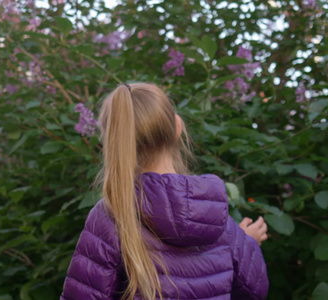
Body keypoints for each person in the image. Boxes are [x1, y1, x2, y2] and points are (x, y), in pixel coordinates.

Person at [60, 82, 269, 300]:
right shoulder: (213, 211)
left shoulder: (111, 217)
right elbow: (255, 290)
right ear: (178, 127)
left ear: (113, 142)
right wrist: (246, 243)